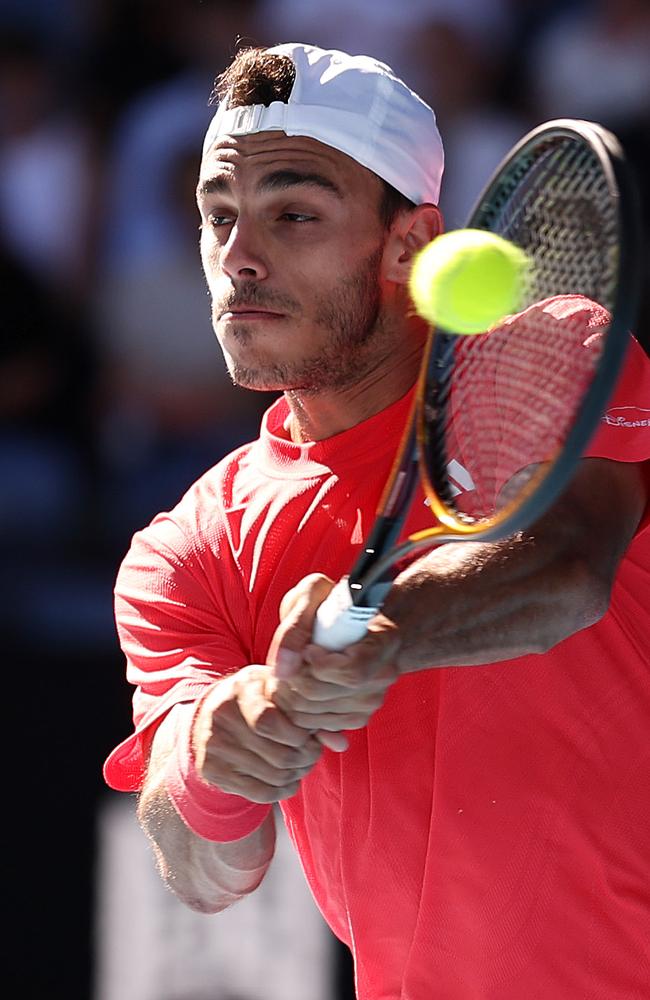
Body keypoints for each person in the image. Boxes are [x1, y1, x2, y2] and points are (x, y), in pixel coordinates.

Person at [104, 42, 650, 999]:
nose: (240, 257)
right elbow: (202, 873)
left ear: (410, 241)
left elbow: (566, 570)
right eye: (218, 217)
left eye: (295, 215)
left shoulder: (553, 351)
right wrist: (218, 752)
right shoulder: (187, 549)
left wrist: (381, 639)